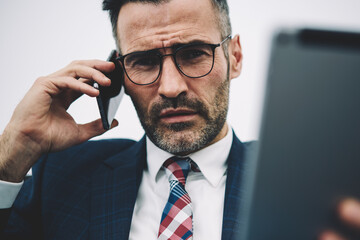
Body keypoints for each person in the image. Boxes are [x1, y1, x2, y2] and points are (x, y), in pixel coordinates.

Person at [0, 0, 359, 239]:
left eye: (193, 54)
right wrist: (12, 154)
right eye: (144, 61)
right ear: (118, 73)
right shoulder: (61, 176)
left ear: (234, 57)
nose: (170, 87)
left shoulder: (304, 183)